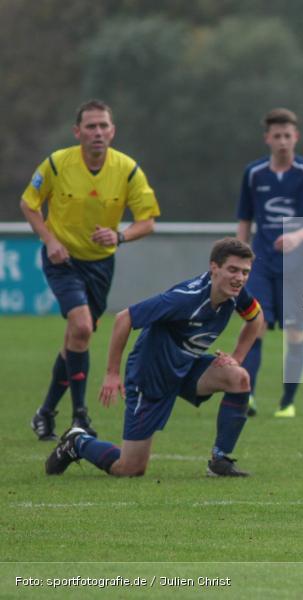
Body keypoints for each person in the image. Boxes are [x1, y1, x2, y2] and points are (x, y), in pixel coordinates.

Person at [45, 238, 264, 478]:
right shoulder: (185, 298)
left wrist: (236, 357)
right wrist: (112, 373)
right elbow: (124, 318)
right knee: (130, 468)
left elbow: (256, 317)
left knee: (238, 378)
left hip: (186, 367)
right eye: (233, 270)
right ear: (214, 268)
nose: (240, 278)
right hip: (150, 376)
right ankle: (77, 442)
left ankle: (220, 461)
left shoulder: (237, 294)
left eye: (245, 272)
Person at [21, 100, 160, 442]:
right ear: (77, 132)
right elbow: (29, 203)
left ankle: (45, 413)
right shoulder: (57, 163)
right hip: (63, 260)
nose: (97, 132)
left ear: (112, 131)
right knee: (81, 327)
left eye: (103, 126)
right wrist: (50, 240)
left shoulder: (127, 169)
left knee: (77, 338)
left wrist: (120, 235)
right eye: (91, 126)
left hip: (101, 265)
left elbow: (149, 221)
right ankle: (80, 415)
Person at [236, 109, 303, 418]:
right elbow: (245, 219)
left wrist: (298, 236)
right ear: (267, 138)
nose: (282, 141)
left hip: (297, 266)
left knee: (294, 334)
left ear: (296, 137)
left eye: (287, 135)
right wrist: (239, 255)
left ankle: (286, 402)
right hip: (261, 263)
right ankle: (246, 395)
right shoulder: (253, 174)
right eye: (276, 136)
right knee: (256, 324)